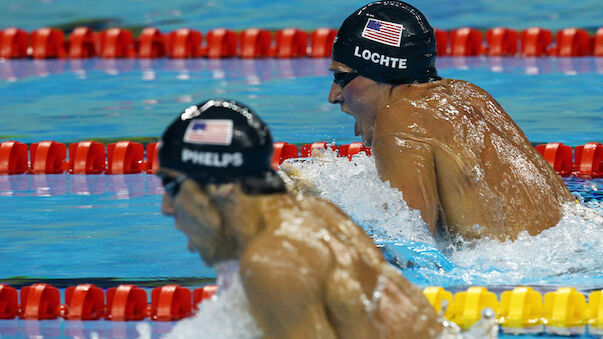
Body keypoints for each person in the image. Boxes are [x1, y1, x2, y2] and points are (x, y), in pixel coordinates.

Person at [157, 99, 443, 338]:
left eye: (172, 187)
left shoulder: (274, 257)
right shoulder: (317, 213)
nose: (166, 207)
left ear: (221, 185)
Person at [325, 1, 574, 241]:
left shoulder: (400, 120)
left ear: (381, 71)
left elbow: (410, 250)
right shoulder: (470, 94)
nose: (334, 95)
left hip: (525, 281)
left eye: (341, 76)